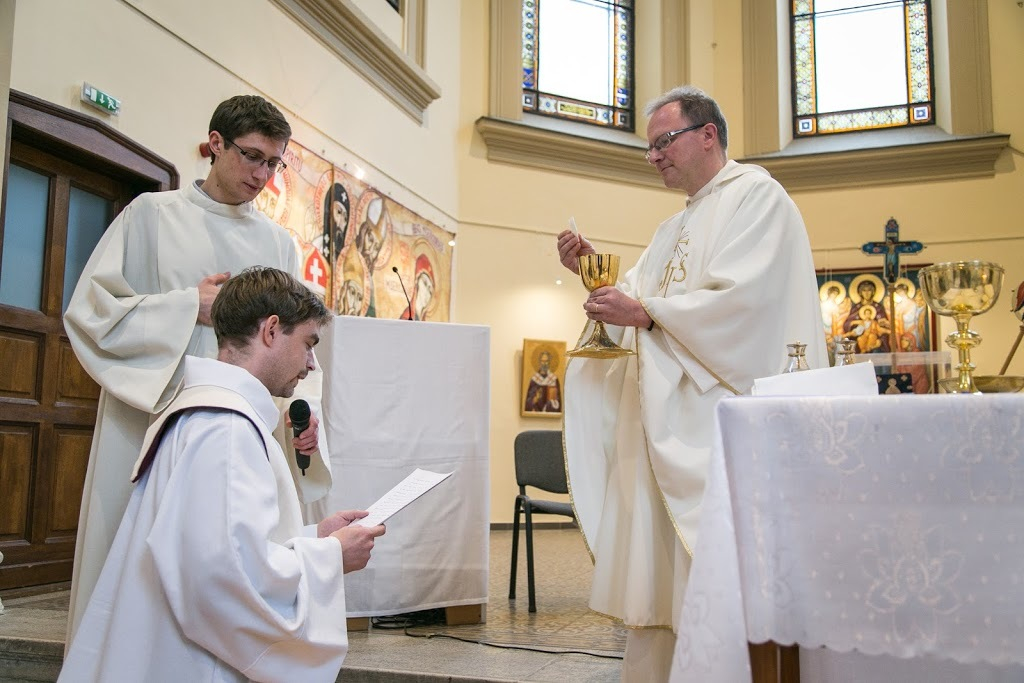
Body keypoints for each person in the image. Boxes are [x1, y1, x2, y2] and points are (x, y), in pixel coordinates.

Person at [555, 85, 826, 681]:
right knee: (664, 588)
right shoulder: (672, 227)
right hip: (666, 429)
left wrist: (645, 313)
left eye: (664, 142)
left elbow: (744, 306)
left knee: (716, 573)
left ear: (708, 135)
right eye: (649, 148)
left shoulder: (759, 199)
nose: (654, 156)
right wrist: (595, 273)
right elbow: (636, 303)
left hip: (718, 427)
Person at [62, 95, 334, 648]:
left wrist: (301, 416)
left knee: (224, 560)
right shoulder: (151, 216)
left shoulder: (277, 243)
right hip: (151, 421)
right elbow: (92, 314)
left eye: (273, 163)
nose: (262, 175)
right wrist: (189, 305)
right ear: (215, 144)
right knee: (134, 569)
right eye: (251, 156)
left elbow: (292, 341)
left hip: (240, 433)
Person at [59, 267, 386, 682]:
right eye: (308, 344)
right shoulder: (225, 428)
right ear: (271, 330)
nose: (310, 364)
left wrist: (314, 537)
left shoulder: (208, 413)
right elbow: (225, 581)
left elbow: (217, 546)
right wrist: (332, 556)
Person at [399, 253, 436, 321]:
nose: (426, 292)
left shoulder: (423, 321)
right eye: (425, 283)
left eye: (430, 290)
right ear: (417, 282)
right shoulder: (407, 317)